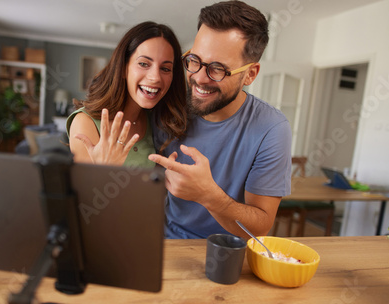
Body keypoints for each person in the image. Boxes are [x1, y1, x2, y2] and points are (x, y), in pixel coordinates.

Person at [148, 1, 292, 239]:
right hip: (167, 245)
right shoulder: (167, 106)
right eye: (194, 60)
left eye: (217, 68)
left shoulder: (272, 129)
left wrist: (208, 195)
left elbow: (261, 225)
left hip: (230, 254)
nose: (199, 78)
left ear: (250, 74)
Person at [67, 21, 187, 167]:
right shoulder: (85, 122)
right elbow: (84, 189)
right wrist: (104, 170)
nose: (155, 77)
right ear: (123, 68)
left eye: (166, 68)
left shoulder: (158, 120)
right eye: (143, 64)